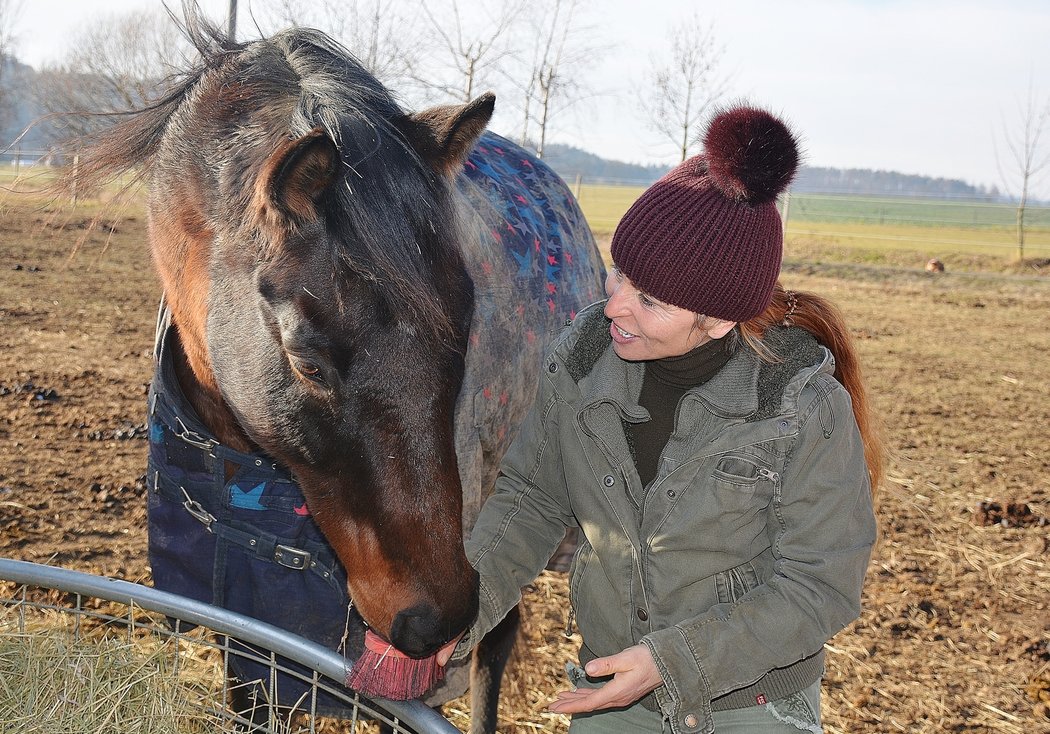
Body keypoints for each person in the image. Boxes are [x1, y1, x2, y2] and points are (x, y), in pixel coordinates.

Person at [437, 104, 882, 734]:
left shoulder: (801, 406)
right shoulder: (584, 357)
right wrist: (454, 623)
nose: (614, 304)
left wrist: (673, 660)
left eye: (649, 299)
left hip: (746, 703)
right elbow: (531, 502)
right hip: (614, 692)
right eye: (620, 271)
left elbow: (821, 585)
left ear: (720, 318)